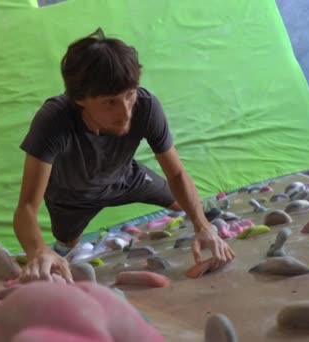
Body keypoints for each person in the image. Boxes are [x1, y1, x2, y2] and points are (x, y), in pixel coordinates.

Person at [13, 28, 235, 283]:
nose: (126, 112)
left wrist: (202, 225)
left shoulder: (146, 106)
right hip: (71, 197)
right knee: (66, 243)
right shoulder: (53, 120)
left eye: (129, 95)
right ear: (80, 99)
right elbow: (27, 207)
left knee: (184, 204)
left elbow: (175, 173)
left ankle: (207, 217)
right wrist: (37, 250)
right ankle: (56, 255)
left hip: (126, 178)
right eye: (110, 102)